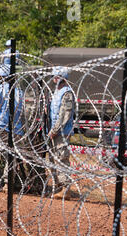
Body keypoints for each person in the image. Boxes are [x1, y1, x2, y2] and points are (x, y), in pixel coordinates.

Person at [47, 67, 75, 197]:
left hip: (62, 133)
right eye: (54, 76)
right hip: (54, 131)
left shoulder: (67, 93)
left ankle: (66, 188)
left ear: (62, 78)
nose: (54, 78)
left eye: (57, 76)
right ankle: (58, 186)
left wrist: (55, 130)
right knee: (53, 159)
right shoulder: (56, 92)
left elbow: (65, 115)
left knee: (62, 159)